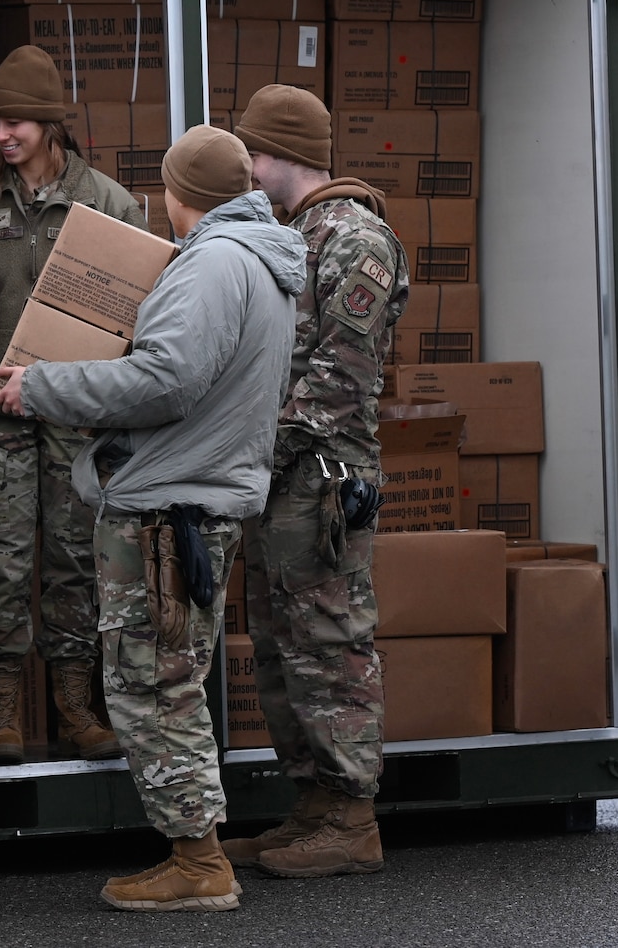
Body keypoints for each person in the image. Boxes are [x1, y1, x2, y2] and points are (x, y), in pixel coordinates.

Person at [0, 126, 305, 912]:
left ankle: (198, 862)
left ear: (180, 193)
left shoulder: (212, 264)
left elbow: (166, 380)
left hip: (165, 510)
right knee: (173, 676)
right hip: (201, 503)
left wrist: (41, 389)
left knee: (150, 684)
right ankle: (197, 847)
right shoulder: (262, 262)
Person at [0, 46, 149, 765]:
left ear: (52, 124)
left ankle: (76, 707)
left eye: (15, 122)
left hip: (78, 416)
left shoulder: (107, 203)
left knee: (76, 562)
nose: (2, 136)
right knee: (1, 559)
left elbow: (136, 315)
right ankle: (2, 712)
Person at [222, 84, 408, 878]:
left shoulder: (355, 239)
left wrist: (251, 449)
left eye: (250, 154)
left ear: (278, 154)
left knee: (331, 645)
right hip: (279, 479)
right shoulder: (291, 234)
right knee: (282, 647)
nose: (243, 169)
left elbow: (343, 378)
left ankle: (352, 816)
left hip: (318, 479)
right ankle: (314, 808)